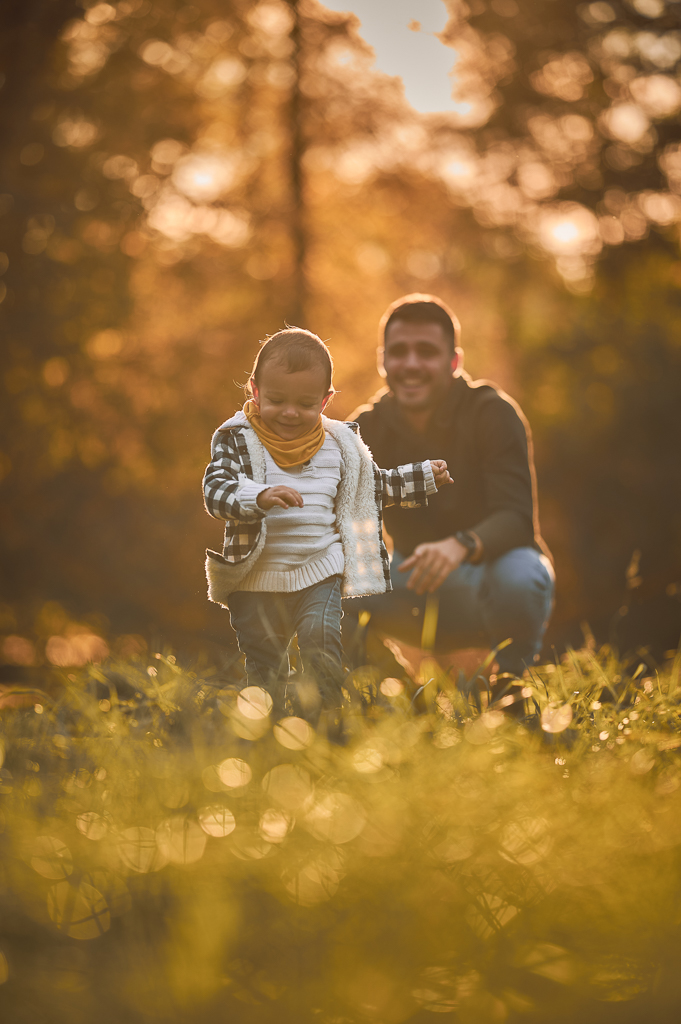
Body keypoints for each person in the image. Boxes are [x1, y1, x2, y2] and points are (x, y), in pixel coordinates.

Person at [202, 327, 452, 721]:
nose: (289, 412)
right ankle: (268, 725)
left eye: (304, 403)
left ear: (326, 400)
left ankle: (326, 718)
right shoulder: (236, 438)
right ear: (254, 390)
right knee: (265, 662)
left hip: (321, 569)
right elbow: (216, 491)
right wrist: (259, 496)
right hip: (255, 579)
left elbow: (372, 486)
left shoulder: (339, 444)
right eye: (276, 399)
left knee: (321, 640)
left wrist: (422, 477)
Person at [345, 294, 554, 682]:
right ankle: (401, 697)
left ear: (454, 361)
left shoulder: (492, 412)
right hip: (411, 590)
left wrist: (461, 544)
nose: (411, 364)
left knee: (522, 573)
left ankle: (510, 688)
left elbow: (517, 519)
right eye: (399, 352)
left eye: (426, 352)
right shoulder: (363, 430)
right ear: (382, 360)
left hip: (485, 588)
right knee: (316, 580)